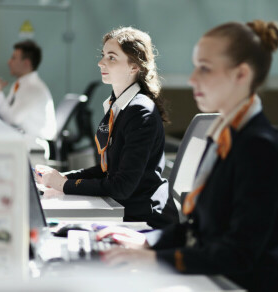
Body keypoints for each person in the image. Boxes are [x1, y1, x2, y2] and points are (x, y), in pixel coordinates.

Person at [97, 20, 278, 292]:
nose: (192, 79)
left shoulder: (258, 147)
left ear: (241, 74)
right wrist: (148, 242)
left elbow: (238, 253)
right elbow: (201, 228)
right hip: (216, 277)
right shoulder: (226, 135)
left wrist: (155, 260)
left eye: (205, 68)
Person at [36, 27, 178, 229]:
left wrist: (63, 185)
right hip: (125, 209)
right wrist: (63, 178)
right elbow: (108, 169)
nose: (101, 63)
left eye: (111, 58)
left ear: (134, 67)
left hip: (145, 220)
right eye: (103, 56)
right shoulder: (119, 105)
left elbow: (121, 186)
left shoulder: (140, 111)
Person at [0, 40, 57, 144]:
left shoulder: (34, 88)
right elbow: (3, 116)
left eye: (13, 58)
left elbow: (12, 119)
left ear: (26, 63)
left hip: (36, 144)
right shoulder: (19, 84)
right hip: (23, 139)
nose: (9, 62)